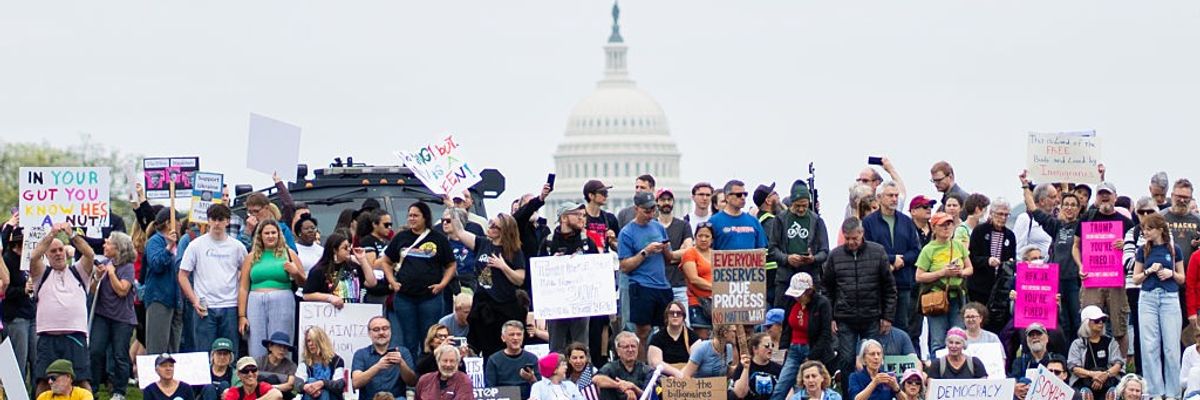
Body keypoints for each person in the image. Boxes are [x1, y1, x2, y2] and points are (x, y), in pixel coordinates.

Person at [376, 202, 457, 356]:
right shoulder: (401, 237)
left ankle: (428, 374)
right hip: (405, 297)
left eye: (415, 215)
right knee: (409, 339)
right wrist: (392, 281)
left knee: (429, 339)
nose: (411, 218)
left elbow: (451, 265)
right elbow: (386, 261)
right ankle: (411, 375)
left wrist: (442, 284)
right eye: (410, 215)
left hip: (430, 298)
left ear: (425, 217)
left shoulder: (438, 239)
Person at [444, 211, 527, 358]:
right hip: (483, 303)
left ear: (504, 231)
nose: (491, 227)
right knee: (482, 345)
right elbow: (460, 231)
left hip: (503, 305)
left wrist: (503, 266)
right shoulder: (483, 243)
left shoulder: (514, 251)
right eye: (490, 224)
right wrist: (452, 207)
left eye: (495, 226)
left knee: (502, 347)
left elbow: (520, 279)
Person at [822, 217, 897, 373]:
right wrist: (831, 318)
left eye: (854, 238)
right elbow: (827, 289)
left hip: (872, 316)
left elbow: (889, 287)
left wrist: (888, 317)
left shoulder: (878, 252)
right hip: (845, 317)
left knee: (873, 358)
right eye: (847, 238)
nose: (851, 242)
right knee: (846, 359)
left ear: (862, 233)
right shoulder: (835, 255)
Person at [30, 223, 96, 395]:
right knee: (44, 381)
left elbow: (90, 254)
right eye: (53, 251)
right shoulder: (41, 274)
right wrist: (51, 234)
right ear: (47, 255)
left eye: (61, 250)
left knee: (82, 380)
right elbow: (34, 257)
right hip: (48, 337)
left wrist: (72, 235)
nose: (58, 253)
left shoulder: (78, 272)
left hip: (75, 336)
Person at [1020, 172, 1085, 343]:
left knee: (1077, 321)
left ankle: (1077, 357)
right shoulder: (1056, 226)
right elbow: (1034, 210)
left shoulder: (1084, 226)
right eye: (1066, 205)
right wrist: (1026, 186)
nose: (1070, 208)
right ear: (1061, 207)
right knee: (1061, 322)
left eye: (1073, 205)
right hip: (1056, 281)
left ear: (1079, 209)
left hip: (1075, 281)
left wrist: (1101, 177)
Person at [1073, 182, 1134, 358]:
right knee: (1088, 323)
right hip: (1092, 280)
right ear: (1097, 198)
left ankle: (1120, 365)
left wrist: (1126, 244)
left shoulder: (1126, 222)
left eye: (1108, 194)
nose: (1105, 197)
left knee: (1119, 327)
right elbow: (1075, 246)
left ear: (1115, 196)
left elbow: (1136, 250)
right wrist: (1080, 266)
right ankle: (1086, 361)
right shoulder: (1087, 218)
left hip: (1116, 282)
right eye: (1101, 194)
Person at [179, 204, 248, 353]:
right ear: (208, 221)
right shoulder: (195, 245)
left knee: (230, 353)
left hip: (230, 305)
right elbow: (183, 275)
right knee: (204, 353)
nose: (217, 223)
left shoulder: (238, 247)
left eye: (220, 219)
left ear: (227, 221)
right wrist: (194, 300)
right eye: (213, 219)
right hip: (205, 306)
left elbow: (246, 273)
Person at [1132, 212, 1185, 399]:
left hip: (1169, 297)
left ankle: (1173, 392)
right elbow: (1135, 279)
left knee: (1171, 346)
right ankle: (1154, 391)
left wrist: (1171, 274)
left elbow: (1182, 277)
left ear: (1160, 230)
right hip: (1148, 298)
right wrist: (1149, 270)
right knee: (1149, 346)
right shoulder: (1142, 250)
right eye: (1144, 228)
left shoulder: (1174, 249)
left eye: (1149, 228)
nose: (1145, 232)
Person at [862, 181, 923, 343]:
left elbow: (916, 250)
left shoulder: (906, 221)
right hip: (878, 283)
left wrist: (901, 260)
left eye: (896, 195)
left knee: (902, 326)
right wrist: (890, 259)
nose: (894, 199)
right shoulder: (869, 222)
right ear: (880, 197)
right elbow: (867, 248)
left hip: (903, 282)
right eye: (890, 195)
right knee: (878, 326)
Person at [617, 191, 675, 358]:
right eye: (647, 210)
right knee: (643, 331)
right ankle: (643, 368)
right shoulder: (627, 232)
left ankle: (665, 367)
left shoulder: (658, 227)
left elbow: (669, 258)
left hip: (662, 285)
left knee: (667, 329)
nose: (651, 214)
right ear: (637, 209)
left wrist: (666, 249)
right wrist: (645, 252)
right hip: (641, 286)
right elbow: (625, 266)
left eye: (653, 209)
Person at [239, 221, 305, 358]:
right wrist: (242, 316)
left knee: (281, 342)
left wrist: (295, 272)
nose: (270, 236)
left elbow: (303, 283)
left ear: (279, 235)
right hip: (255, 302)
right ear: (260, 236)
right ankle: (257, 374)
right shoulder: (251, 257)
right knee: (256, 344)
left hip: (282, 301)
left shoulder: (289, 253)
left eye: (273, 233)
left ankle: (283, 375)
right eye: (267, 233)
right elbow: (244, 287)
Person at [542, 201, 601, 352]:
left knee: (581, 348)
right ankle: (557, 375)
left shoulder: (587, 242)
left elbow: (597, 270)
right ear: (564, 218)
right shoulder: (549, 242)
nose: (582, 218)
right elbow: (538, 273)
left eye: (583, 215)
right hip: (556, 304)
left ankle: (583, 376)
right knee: (556, 348)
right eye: (577, 215)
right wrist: (551, 263)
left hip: (580, 304)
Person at [915, 212, 973, 357]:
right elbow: (919, 276)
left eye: (949, 224)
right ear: (934, 228)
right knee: (938, 339)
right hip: (937, 299)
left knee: (958, 335)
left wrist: (960, 272)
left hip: (958, 297)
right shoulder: (928, 249)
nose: (947, 228)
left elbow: (970, 269)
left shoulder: (959, 246)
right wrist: (942, 273)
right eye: (942, 225)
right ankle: (938, 372)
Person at [88, 232, 137, 400]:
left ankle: (119, 390)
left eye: (108, 243)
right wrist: (97, 277)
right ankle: (92, 388)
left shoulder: (128, 267)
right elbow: (93, 291)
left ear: (118, 248)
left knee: (119, 355)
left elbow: (122, 290)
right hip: (103, 315)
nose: (104, 246)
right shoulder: (105, 263)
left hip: (122, 319)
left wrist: (111, 274)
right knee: (95, 351)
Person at [772, 272, 835, 400]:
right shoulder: (791, 302)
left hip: (813, 350)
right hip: (794, 349)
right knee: (780, 387)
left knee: (808, 389)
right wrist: (786, 346)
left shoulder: (822, 303)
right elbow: (787, 326)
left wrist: (812, 356)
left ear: (809, 291)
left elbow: (825, 334)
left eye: (800, 294)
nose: (797, 298)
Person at [769, 180, 830, 307]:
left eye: (804, 205)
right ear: (791, 203)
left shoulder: (817, 221)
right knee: (782, 316)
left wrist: (813, 258)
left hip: (809, 277)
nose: (801, 209)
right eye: (797, 206)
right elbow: (772, 249)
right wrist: (787, 258)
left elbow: (824, 251)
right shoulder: (780, 220)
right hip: (785, 277)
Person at [144, 208, 185, 354]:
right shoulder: (155, 242)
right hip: (160, 298)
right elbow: (156, 264)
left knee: (173, 348)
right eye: (178, 220)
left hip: (175, 299)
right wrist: (168, 248)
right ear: (169, 223)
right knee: (157, 347)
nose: (180, 224)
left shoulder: (179, 243)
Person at [351, 316, 418, 400]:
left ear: (390, 331)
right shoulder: (360, 354)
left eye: (385, 328)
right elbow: (356, 383)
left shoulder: (403, 352)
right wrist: (378, 366)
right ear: (369, 333)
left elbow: (412, 382)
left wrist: (401, 363)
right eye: (376, 330)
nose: (381, 332)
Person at [302, 232, 377, 306]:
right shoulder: (319, 270)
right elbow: (307, 295)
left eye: (349, 246)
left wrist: (362, 259)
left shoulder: (353, 266)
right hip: (330, 312)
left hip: (353, 310)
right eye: (345, 248)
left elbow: (371, 283)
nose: (348, 249)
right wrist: (329, 298)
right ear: (335, 250)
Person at [2, 215, 34, 381]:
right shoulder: (7, 260)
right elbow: (4, 290)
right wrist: (22, 290)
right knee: (18, 361)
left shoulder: (32, 260)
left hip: (31, 314)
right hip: (16, 317)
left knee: (36, 360)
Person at [967, 199, 1015, 305]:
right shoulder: (979, 231)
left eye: (1006, 215)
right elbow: (972, 257)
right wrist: (987, 261)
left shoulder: (1010, 235)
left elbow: (1012, 259)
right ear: (992, 213)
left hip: (1000, 287)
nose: (1003, 218)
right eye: (1000, 214)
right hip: (979, 286)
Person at [656, 189, 695, 318]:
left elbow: (689, 250)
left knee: (684, 323)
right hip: (657, 284)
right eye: (662, 200)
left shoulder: (683, 225)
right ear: (656, 202)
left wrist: (668, 255)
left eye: (669, 200)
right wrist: (677, 255)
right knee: (659, 326)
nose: (666, 203)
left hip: (679, 284)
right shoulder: (652, 226)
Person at [1068, 306, 1122, 399]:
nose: (1100, 323)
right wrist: (1093, 375)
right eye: (1096, 320)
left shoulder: (1110, 342)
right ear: (1086, 323)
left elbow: (1118, 364)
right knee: (1083, 394)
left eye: (1102, 320)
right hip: (1084, 382)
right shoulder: (1078, 344)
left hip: (1108, 381)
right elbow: (1074, 368)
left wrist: (1106, 375)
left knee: (1114, 393)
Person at [484, 320, 541, 399]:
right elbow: (490, 389)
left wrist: (531, 379)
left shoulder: (532, 358)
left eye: (519, 334)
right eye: (511, 335)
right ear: (503, 338)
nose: (515, 338)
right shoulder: (494, 360)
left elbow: (540, 388)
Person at [710, 180, 769, 251]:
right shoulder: (714, 221)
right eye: (739, 195)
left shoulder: (753, 221)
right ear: (727, 197)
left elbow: (762, 249)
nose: (743, 197)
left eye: (745, 194)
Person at [593, 332, 654, 400]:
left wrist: (633, 387)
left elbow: (650, 397)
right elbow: (596, 379)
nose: (630, 350)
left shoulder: (646, 370)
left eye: (633, 346)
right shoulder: (611, 367)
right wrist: (619, 385)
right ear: (618, 351)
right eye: (626, 347)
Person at [682, 222, 716, 338]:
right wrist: (717, 288)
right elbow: (693, 279)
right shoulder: (690, 253)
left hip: (718, 303)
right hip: (698, 302)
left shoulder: (717, 254)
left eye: (707, 236)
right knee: (702, 337)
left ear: (712, 239)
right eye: (700, 236)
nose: (703, 239)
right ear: (695, 237)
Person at [648, 301, 698, 378]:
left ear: (683, 316)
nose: (675, 315)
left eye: (678, 313)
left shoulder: (693, 337)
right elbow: (655, 362)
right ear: (667, 316)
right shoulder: (657, 338)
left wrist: (681, 375)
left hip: (687, 376)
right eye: (672, 313)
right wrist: (675, 374)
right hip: (664, 377)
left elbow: (696, 361)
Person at [355, 209, 394, 305]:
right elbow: (372, 265)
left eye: (390, 225)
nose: (389, 228)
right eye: (386, 225)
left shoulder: (386, 241)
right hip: (374, 292)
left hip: (388, 289)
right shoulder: (368, 241)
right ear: (375, 224)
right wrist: (392, 256)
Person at [297, 326, 347, 400]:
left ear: (321, 341)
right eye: (308, 341)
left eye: (314, 340)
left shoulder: (337, 361)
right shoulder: (304, 364)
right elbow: (294, 391)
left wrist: (322, 383)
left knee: (323, 389)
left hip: (332, 397)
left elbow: (339, 385)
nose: (310, 344)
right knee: (311, 382)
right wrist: (304, 387)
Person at [733, 333, 783, 400]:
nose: (771, 348)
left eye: (772, 345)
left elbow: (789, 391)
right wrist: (746, 369)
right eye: (767, 346)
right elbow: (740, 394)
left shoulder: (778, 368)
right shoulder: (743, 366)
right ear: (755, 349)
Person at [1014, 183, 1059, 255]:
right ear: (1042, 201)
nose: (1058, 200)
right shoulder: (1025, 218)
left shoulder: (1055, 221)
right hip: (1033, 265)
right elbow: (1018, 249)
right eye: (1053, 197)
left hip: (1053, 265)